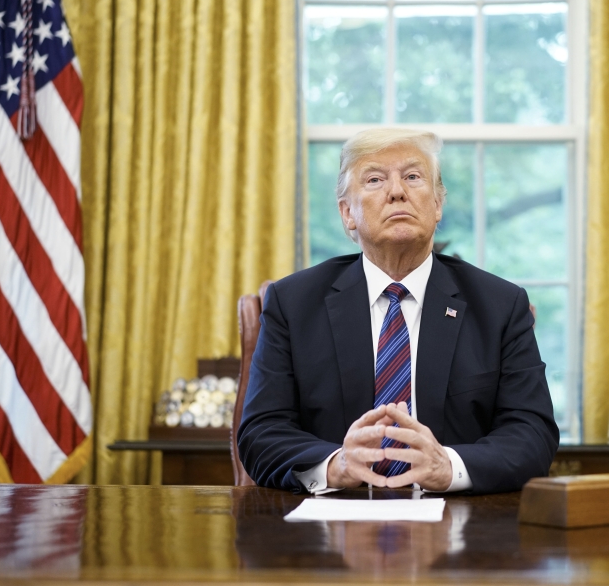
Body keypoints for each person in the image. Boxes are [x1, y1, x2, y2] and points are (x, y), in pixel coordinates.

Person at [238, 128, 559, 494]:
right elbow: (261, 432)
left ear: (437, 205)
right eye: (375, 179)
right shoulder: (293, 303)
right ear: (348, 214)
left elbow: (532, 434)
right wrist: (337, 464)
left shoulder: (500, 306)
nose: (396, 191)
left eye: (412, 176)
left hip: (462, 525)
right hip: (331, 522)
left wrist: (447, 466)